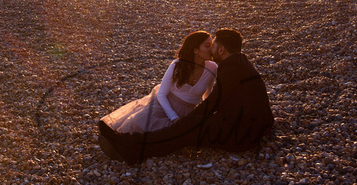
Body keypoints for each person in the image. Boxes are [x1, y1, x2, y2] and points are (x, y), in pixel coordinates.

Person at [98, 28, 274, 164]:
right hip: (245, 126)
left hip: (243, 133)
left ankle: (131, 148)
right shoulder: (238, 63)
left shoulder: (230, 69)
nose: (211, 51)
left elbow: (212, 103)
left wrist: (187, 121)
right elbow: (215, 101)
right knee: (183, 131)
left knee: (183, 133)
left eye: (213, 47)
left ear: (221, 50)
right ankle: (128, 142)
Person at [100, 31, 218, 134]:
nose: (211, 50)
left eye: (212, 46)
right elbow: (161, 94)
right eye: (207, 46)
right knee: (138, 122)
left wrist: (206, 114)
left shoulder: (212, 68)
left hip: (188, 111)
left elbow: (206, 96)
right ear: (195, 50)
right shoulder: (177, 66)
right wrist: (173, 117)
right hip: (165, 105)